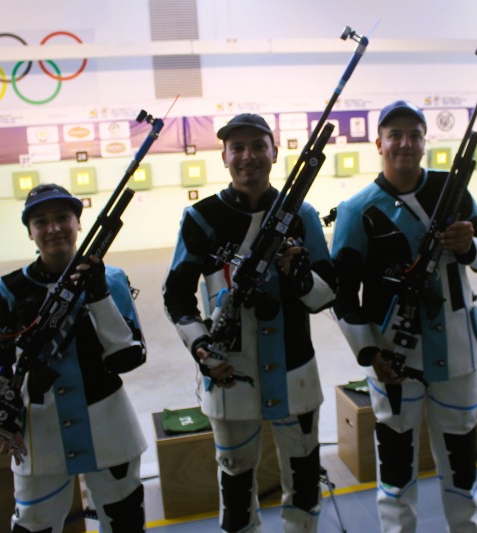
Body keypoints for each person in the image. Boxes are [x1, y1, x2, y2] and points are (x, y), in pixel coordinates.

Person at [330, 100, 477, 532]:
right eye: (395, 135)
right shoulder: (358, 210)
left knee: (461, 468)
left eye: (414, 134)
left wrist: (467, 247)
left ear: (425, 142)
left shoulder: (452, 191)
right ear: (379, 144)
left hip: (458, 356)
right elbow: (342, 294)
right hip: (393, 361)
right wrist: (369, 353)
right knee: (396, 472)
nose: (405, 143)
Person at [162, 113, 336, 532]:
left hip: (295, 370)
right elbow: (176, 295)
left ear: (274, 152)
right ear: (223, 156)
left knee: (305, 482)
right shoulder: (201, 218)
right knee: (237, 486)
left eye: (258, 146)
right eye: (237, 147)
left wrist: (297, 275)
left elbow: (326, 294)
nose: (248, 156)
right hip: (229, 374)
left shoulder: (302, 215)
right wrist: (201, 347)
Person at [0, 183, 148, 533]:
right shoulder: (8, 289)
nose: (53, 227)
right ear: (30, 232)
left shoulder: (111, 278)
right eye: (41, 221)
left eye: (62, 217)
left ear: (78, 223)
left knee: (125, 521)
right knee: (34, 525)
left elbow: (129, 357)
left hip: (108, 423)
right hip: (39, 430)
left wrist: (98, 294)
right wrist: (1, 417)